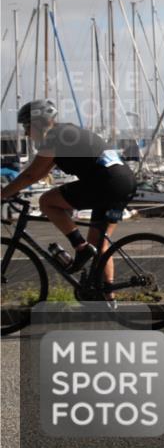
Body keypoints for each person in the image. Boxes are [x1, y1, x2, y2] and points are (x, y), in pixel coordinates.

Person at [1, 100, 137, 301]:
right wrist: (12, 191)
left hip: (107, 184)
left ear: (37, 123)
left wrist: (3, 194)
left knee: (47, 201)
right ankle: (108, 295)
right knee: (99, 244)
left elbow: (31, 176)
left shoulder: (55, 137)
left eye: (26, 127)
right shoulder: (67, 134)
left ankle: (80, 248)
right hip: (124, 184)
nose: (27, 134)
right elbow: (39, 173)